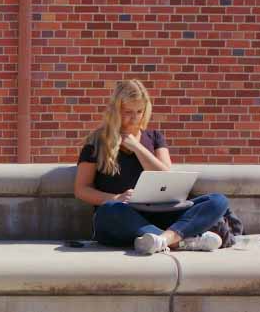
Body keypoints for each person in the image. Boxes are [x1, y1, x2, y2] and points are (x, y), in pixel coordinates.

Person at [74, 79, 229, 254]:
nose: (134, 118)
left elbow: (165, 175)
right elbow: (81, 189)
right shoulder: (96, 143)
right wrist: (116, 197)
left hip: (161, 213)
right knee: (109, 211)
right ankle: (180, 241)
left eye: (139, 111)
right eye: (128, 112)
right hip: (122, 216)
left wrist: (137, 147)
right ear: (116, 111)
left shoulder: (155, 138)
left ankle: (162, 239)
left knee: (217, 200)